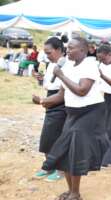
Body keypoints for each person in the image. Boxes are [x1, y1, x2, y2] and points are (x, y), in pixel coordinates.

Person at [41, 37, 109, 200]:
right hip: (72, 113)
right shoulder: (68, 66)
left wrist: (61, 75)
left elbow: (82, 90)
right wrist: (44, 101)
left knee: (76, 152)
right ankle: (71, 190)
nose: (68, 50)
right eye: (67, 47)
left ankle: (75, 193)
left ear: (83, 50)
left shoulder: (90, 65)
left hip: (89, 113)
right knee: (64, 152)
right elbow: (61, 94)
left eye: (72, 48)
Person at [32, 36, 68, 182]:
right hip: (51, 97)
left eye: (49, 52)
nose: (47, 56)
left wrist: (42, 101)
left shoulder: (65, 65)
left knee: (57, 137)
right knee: (47, 138)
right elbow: (49, 85)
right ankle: (49, 165)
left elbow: (62, 92)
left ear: (59, 50)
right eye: (45, 53)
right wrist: (40, 79)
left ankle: (61, 169)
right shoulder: (52, 64)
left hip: (60, 101)